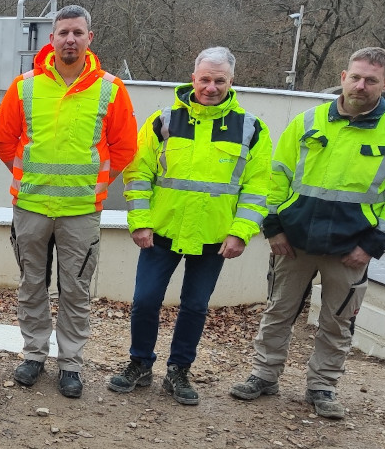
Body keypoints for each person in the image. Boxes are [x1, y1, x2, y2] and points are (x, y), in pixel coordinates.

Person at [230, 47, 385, 419]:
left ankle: (322, 387)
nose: (361, 85)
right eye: (356, 77)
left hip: (350, 250)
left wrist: (371, 246)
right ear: (342, 77)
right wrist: (272, 229)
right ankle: (264, 376)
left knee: (338, 321)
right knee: (278, 313)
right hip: (293, 243)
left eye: (371, 80)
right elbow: (276, 177)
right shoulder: (308, 121)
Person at [109, 47, 272, 405]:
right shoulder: (163, 119)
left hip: (214, 237)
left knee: (195, 307)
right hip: (162, 232)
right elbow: (138, 176)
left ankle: (179, 371)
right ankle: (140, 363)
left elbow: (259, 188)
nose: (211, 87)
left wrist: (240, 232)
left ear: (231, 82)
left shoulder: (251, 129)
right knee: (145, 301)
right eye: (205, 79)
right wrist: (140, 222)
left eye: (219, 80)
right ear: (193, 77)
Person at [0, 5, 137, 398]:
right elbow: (3, 139)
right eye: (63, 33)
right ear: (51, 39)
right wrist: (25, 176)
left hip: (80, 213)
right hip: (31, 208)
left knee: (75, 290)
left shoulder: (110, 88)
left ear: (90, 38)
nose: (69, 39)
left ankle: (70, 363)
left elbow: (126, 147)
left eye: (77, 32)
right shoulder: (24, 86)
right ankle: (34, 355)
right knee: (31, 286)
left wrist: (96, 184)